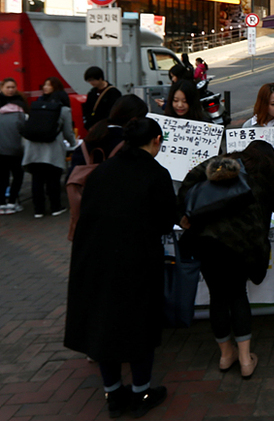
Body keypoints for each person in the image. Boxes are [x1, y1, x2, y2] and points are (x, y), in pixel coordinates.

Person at [64, 117, 175, 418]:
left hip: (95, 259)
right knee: (140, 325)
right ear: (155, 141)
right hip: (137, 261)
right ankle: (142, 393)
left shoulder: (102, 172)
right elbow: (166, 221)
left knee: (104, 324)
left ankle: (113, 394)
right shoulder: (156, 173)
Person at [178, 141, 274, 380]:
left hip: (207, 241)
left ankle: (225, 356)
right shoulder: (269, 178)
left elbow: (189, 180)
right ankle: (245, 360)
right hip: (242, 247)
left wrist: (183, 214)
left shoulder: (225, 164)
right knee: (237, 295)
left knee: (218, 297)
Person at [67, 95, 150, 240]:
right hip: (118, 221)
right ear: (134, 120)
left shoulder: (91, 138)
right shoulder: (128, 144)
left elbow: (72, 174)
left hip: (87, 219)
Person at [21, 77, 75, 218]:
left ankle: (38, 210)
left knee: (37, 179)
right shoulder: (63, 109)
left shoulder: (37, 105)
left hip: (33, 148)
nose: (45, 87)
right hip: (52, 149)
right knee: (53, 179)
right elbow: (68, 132)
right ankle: (55, 207)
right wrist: (74, 144)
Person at [0, 78, 27, 214]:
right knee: (16, 175)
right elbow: (24, 128)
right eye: (8, 87)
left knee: (4, 176)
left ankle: (3, 203)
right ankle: (11, 201)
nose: (10, 90)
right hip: (16, 148)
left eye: (12, 87)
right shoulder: (20, 107)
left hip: (3, 148)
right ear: (2, 88)